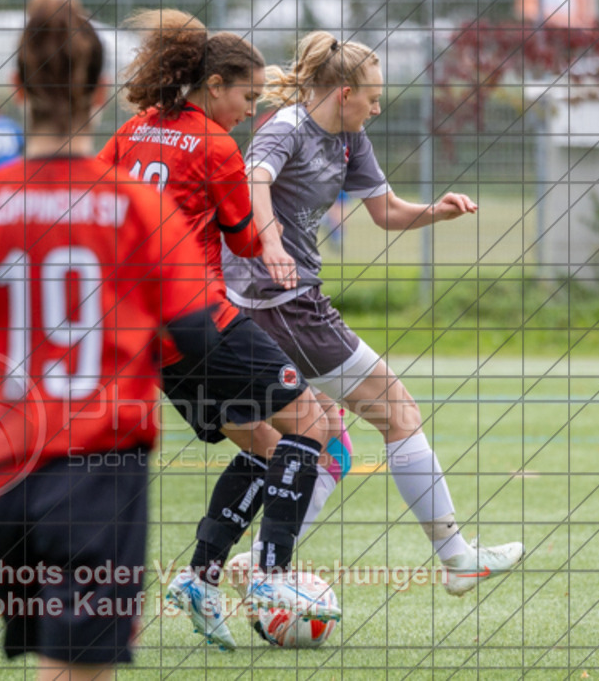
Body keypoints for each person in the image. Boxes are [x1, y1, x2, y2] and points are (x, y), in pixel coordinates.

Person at [0, 0, 227, 676]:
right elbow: (196, 331)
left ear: (17, 88)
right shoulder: (140, 208)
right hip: (96, 473)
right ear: (103, 94)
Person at [221, 32, 525, 598]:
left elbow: (385, 212)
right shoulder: (286, 127)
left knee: (332, 441)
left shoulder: (350, 137)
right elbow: (252, 181)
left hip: (289, 304)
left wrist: (437, 211)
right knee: (399, 411)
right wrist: (270, 241)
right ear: (342, 93)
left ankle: (259, 565)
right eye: (372, 96)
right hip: (280, 304)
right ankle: (456, 558)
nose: (377, 107)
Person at [98, 10, 343, 651]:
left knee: (264, 446)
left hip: (146, 337)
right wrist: (279, 249)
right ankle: (271, 578)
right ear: (212, 85)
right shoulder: (213, 146)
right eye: (246, 95)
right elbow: (241, 236)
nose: (248, 108)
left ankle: (202, 580)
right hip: (201, 318)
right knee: (311, 427)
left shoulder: (131, 132)